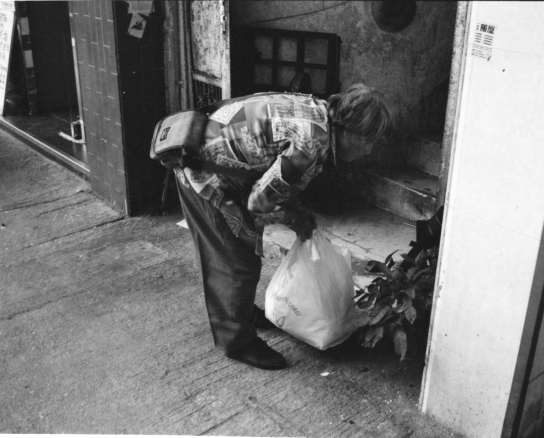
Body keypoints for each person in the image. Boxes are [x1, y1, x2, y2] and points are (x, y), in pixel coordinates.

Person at [159, 84, 392, 370]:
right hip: (204, 173)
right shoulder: (310, 146)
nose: (369, 150)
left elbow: (274, 175)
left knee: (241, 254)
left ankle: (241, 312)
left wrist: (296, 210)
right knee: (235, 263)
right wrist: (292, 219)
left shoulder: (319, 111)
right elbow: (258, 203)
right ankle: (237, 341)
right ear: (350, 130)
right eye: (369, 140)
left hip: (217, 155)